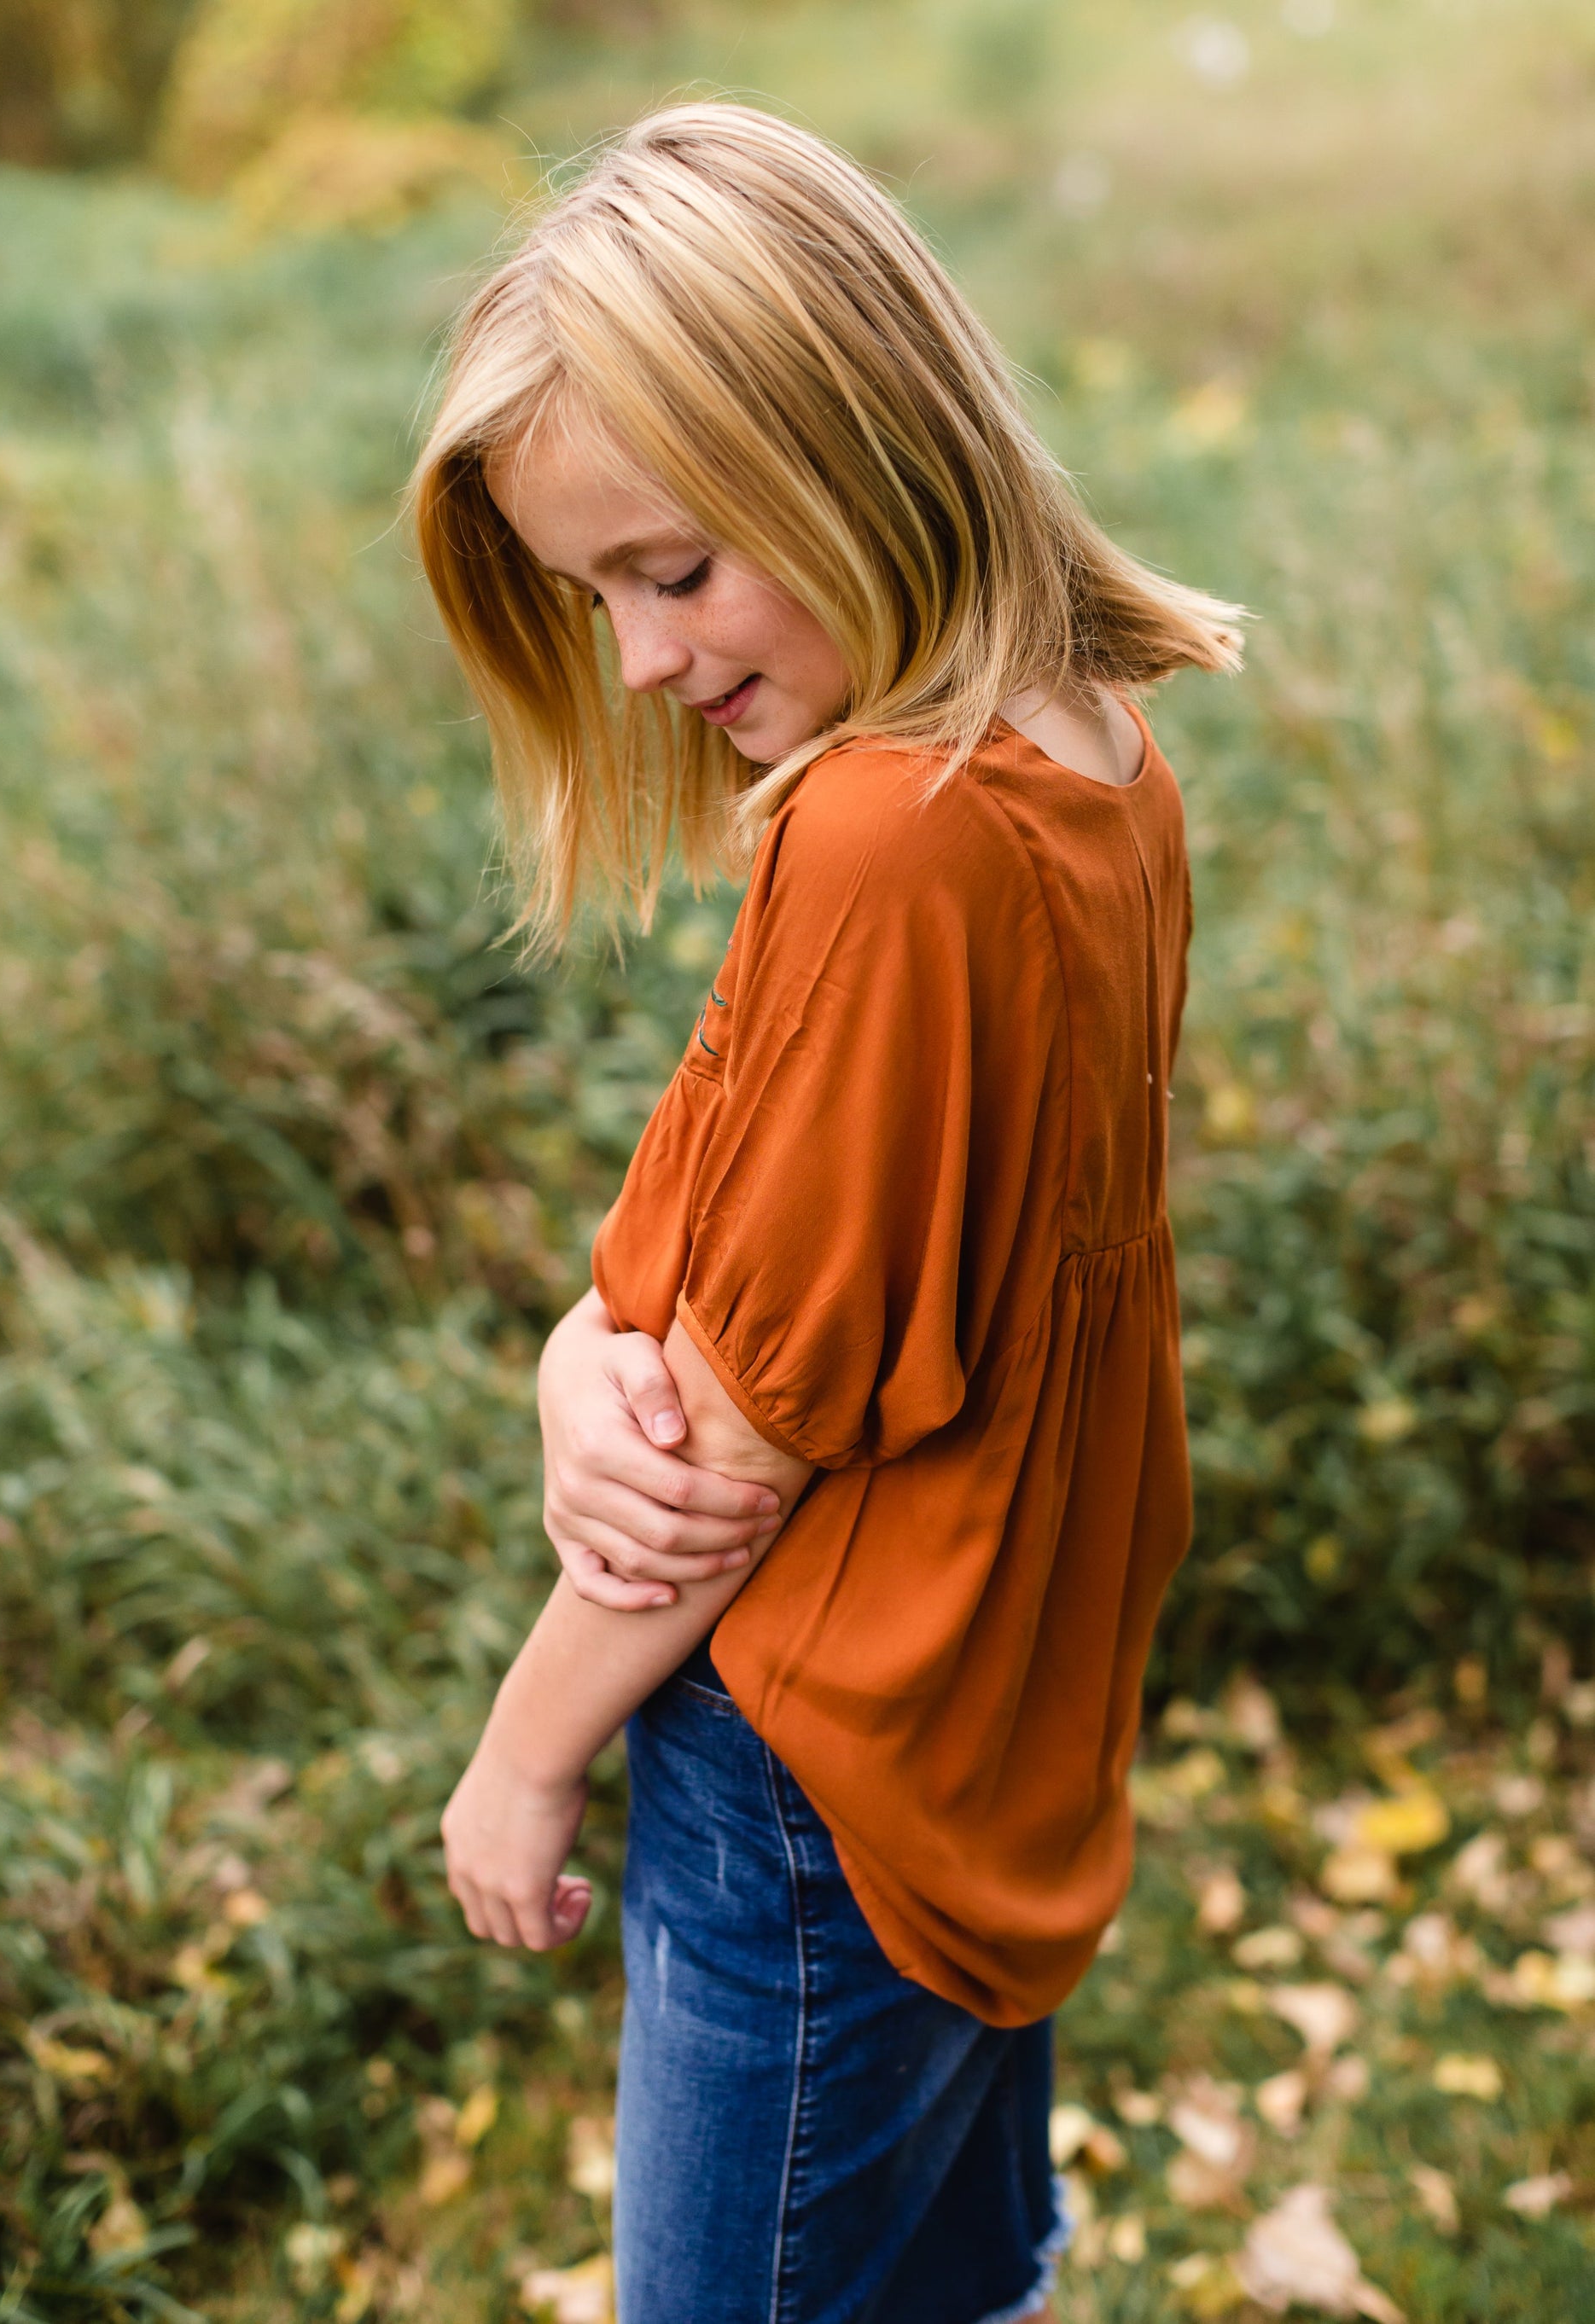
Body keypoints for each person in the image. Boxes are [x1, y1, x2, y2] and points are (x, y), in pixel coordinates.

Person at [412, 101, 1241, 2324]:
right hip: (984, 1709)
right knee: (950, 2274)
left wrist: (521, 1754)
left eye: (671, 571)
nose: (642, 662)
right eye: (600, 596)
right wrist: (573, 1353)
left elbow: (747, 1439)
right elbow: (717, 1206)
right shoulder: (1091, 763)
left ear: (855, 447)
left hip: (812, 1758)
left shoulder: (887, 840)